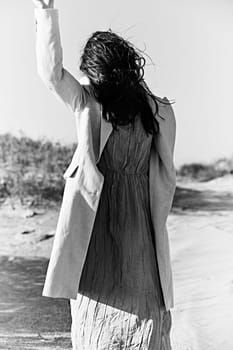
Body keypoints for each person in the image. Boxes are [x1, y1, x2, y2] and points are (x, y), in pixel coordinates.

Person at [32, 0, 177, 349]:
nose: (87, 78)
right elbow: (51, 73)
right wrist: (46, 14)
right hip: (95, 225)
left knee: (145, 317)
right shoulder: (90, 104)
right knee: (102, 315)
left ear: (101, 68)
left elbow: (163, 173)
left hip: (138, 230)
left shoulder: (155, 110)